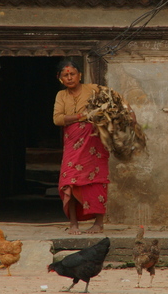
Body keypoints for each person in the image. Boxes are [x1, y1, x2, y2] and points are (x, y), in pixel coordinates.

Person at [53, 60, 136, 235]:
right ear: (60, 78)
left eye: (72, 74)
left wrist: (129, 112)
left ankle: (99, 223)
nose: (69, 78)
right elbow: (57, 119)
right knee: (69, 181)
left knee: (96, 180)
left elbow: (117, 99)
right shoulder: (61, 96)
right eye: (65, 75)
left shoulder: (93, 89)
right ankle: (73, 223)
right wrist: (81, 116)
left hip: (94, 141)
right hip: (73, 142)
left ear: (79, 75)